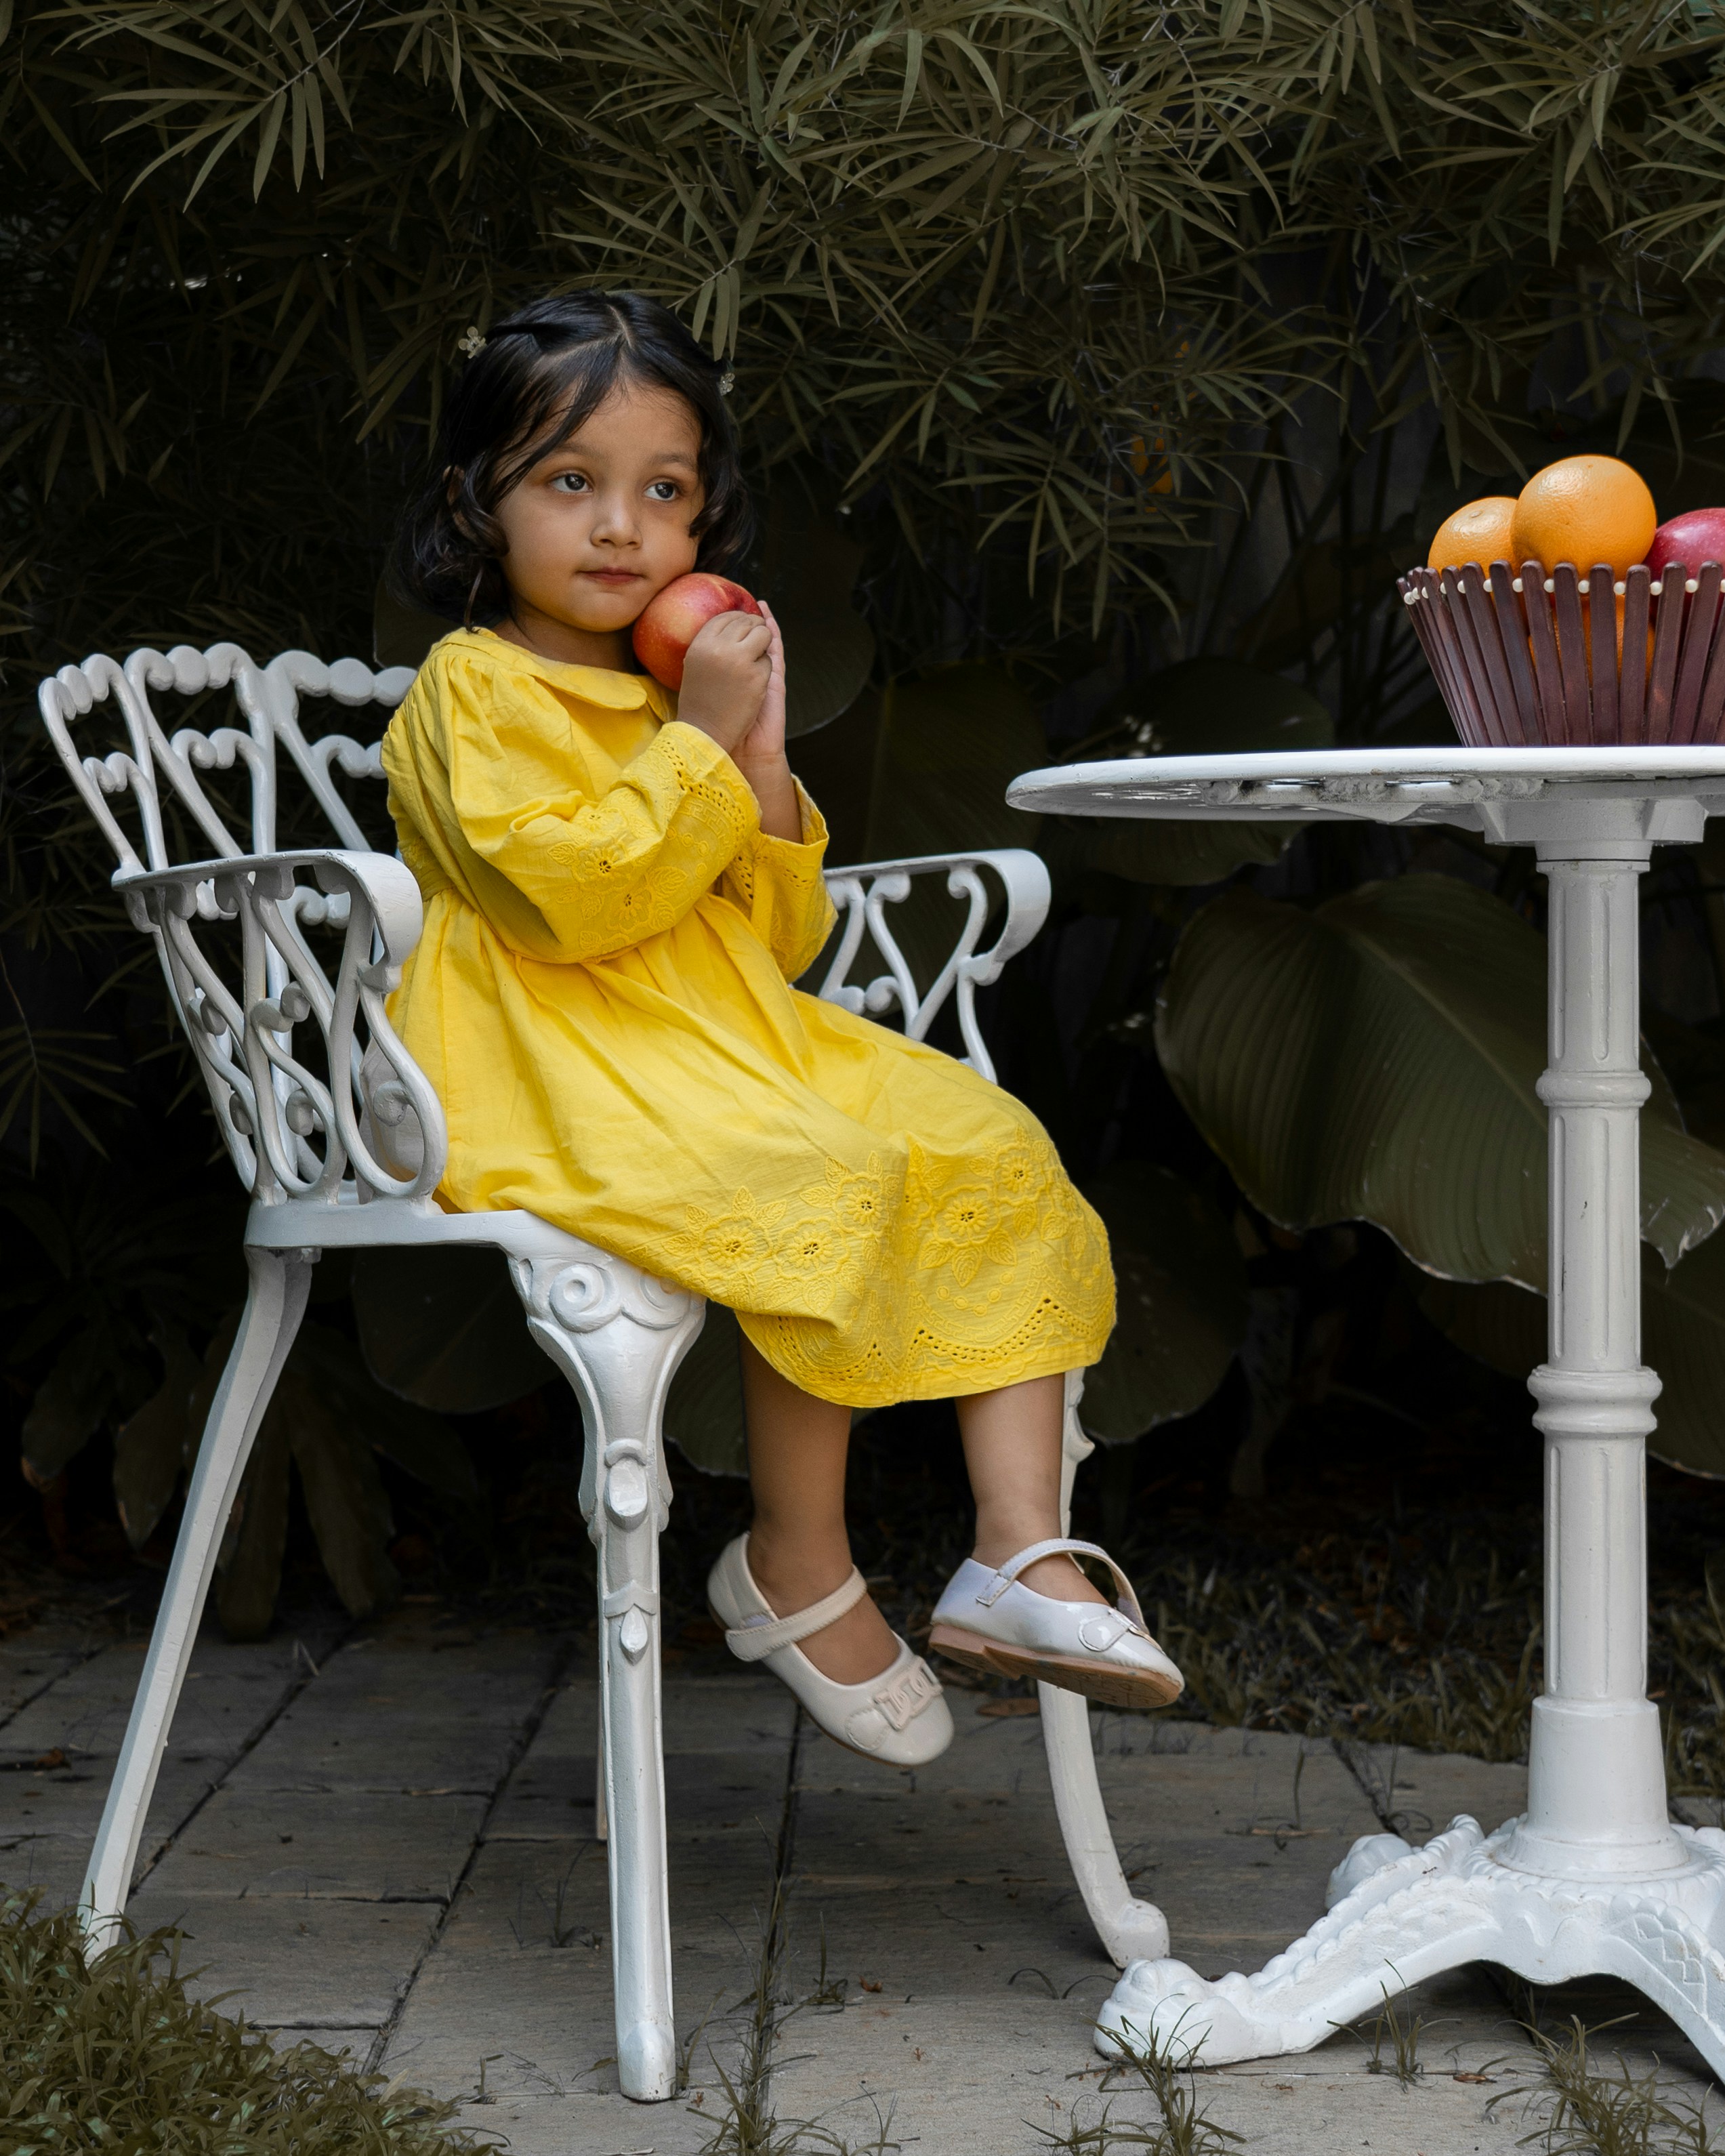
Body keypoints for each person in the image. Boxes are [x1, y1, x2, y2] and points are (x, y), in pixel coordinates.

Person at [382, 290, 1182, 1765]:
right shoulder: (470, 689)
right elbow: (568, 901)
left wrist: (749, 756)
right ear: (475, 502)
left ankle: (1019, 1549)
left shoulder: (673, 689)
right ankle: (794, 1558)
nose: (622, 528)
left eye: (664, 492)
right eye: (572, 482)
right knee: (820, 1171)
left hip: (716, 1031)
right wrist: (693, 738)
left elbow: (772, 936)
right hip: (556, 1061)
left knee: (987, 1139)